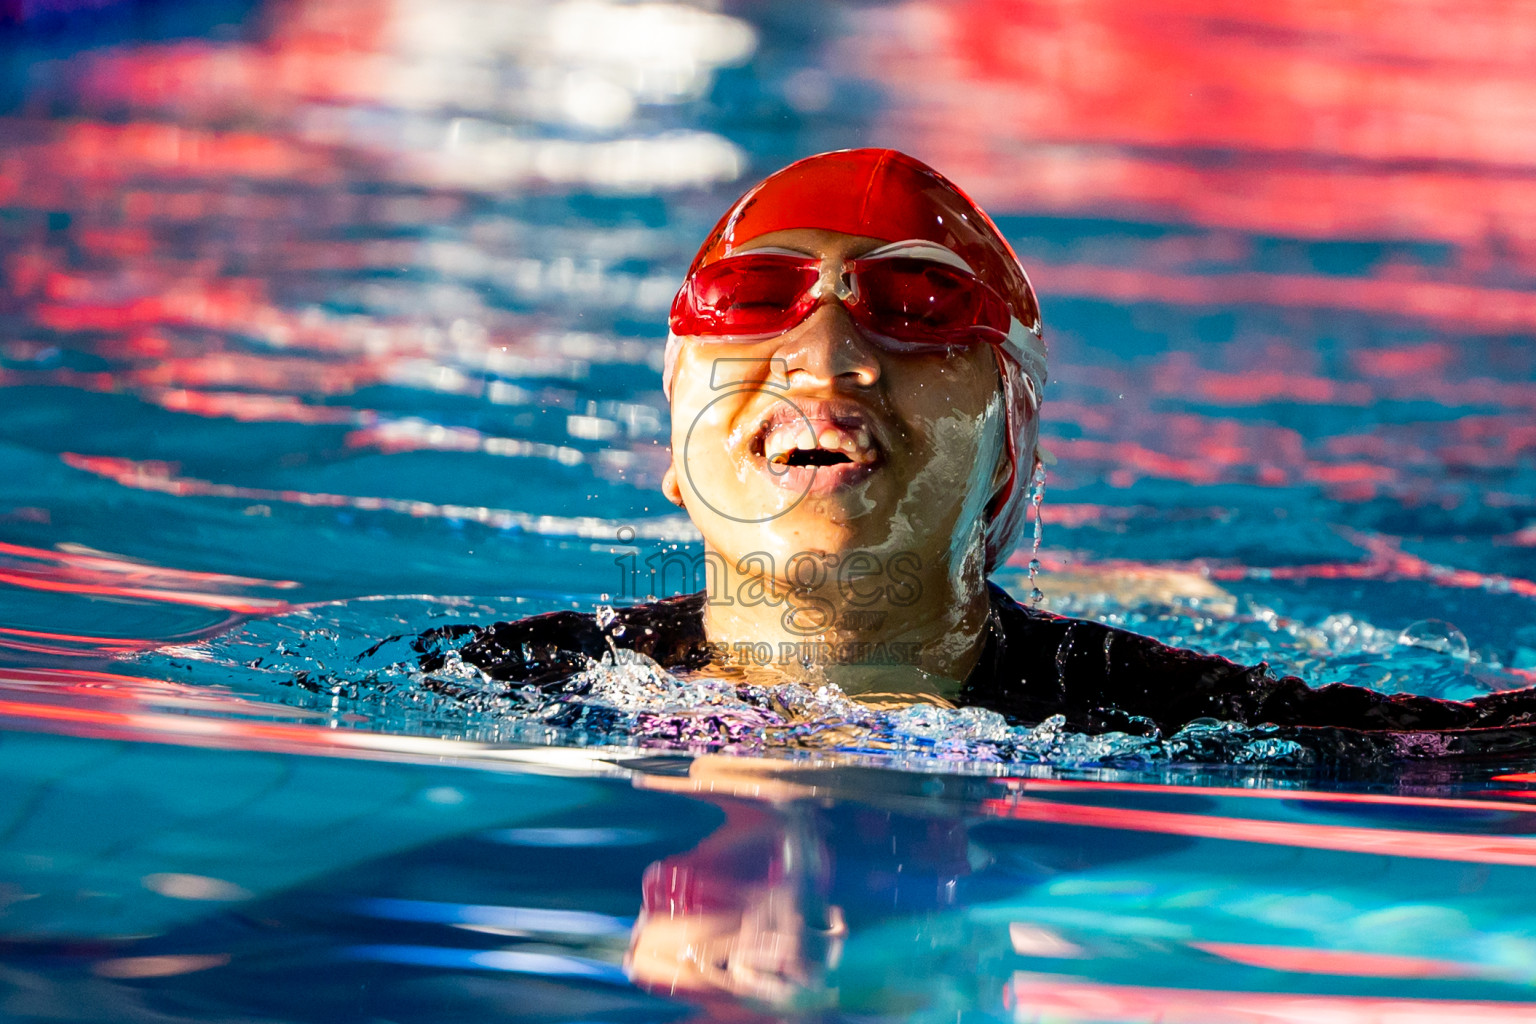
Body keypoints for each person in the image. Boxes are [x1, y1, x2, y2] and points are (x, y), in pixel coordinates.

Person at [420, 149, 1536, 750]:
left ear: (1009, 459)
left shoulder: (1150, 715)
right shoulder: (503, 681)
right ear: (673, 451)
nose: (822, 359)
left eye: (915, 306)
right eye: (753, 299)